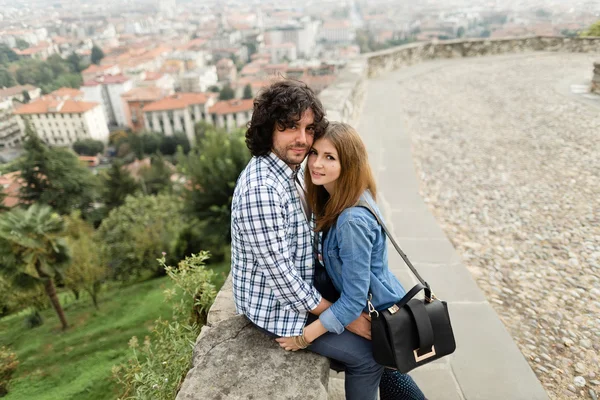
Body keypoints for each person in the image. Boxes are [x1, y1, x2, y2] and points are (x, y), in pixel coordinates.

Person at [231, 79, 420, 400]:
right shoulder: (262, 190)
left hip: (311, 285)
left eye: (308, 129)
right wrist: (340, 320)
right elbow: (284, 280)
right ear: (269, 129)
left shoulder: (289, 171)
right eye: (290, 127)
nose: (302, 140)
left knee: (383, 344)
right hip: (281, 308)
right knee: (369, 355)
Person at [274, 121, 426, 400]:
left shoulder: (351, 221)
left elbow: (355, 299)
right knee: (391, 373)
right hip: (376, 306)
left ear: (349, 164)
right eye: (315, 153)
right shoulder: (341, 197)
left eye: (330, 157)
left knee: (383, 367)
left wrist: (304, 337)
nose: (317, 164)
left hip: (376, 315)